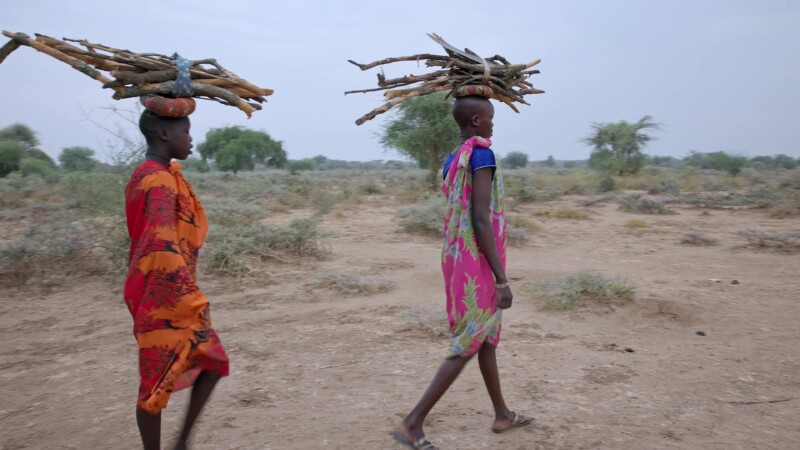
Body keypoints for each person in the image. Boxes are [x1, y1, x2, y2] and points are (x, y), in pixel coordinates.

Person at [394, 88, 531, 450]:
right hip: (478, 262)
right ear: (475, 120)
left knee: (484, 338)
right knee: (468, 342)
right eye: (489, 118)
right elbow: (481, 217)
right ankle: (412, 423)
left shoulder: (453, 157)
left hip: (457, 257)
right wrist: (502, 279)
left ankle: (502, 414)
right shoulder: (481, 153)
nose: (492, 125)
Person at [124, 107, 229, 450]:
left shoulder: (151, 174)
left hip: (170, 288)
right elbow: (159, 241)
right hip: (164, 295)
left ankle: (181, 443)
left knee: (213, 362)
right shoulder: (158, 182)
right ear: (165, 135)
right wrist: (184, 294)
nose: (191, 139)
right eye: (186, 131)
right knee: (153, 385)